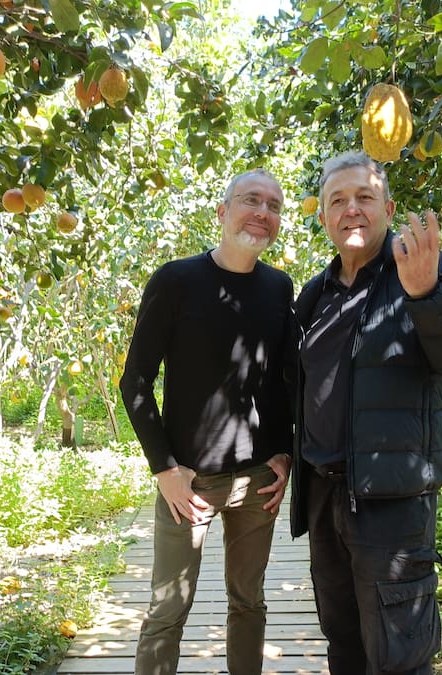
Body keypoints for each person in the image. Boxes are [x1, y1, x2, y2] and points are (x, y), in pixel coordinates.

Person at [290, 151, 442, 675]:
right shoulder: (315, 293)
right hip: (324, 496)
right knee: (344, 642)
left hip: (392, 505)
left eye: (364, 197)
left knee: (400, 655)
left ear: (388, 205)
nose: (352, 209)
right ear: (323, 217)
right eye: (338, 200)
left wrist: (428, 294)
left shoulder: (423, 268)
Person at [119, 168, 295, 675]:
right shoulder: (176, 281)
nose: (263, 213)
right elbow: (134, 382)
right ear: (222, 212)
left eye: (274, 206)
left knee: (249, 601)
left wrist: (283, 454)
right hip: (188, 482)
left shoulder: (279, 288)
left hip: (258, 481)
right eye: (251, 200)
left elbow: (283, 380)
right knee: (167, 611)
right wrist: (165, 469)